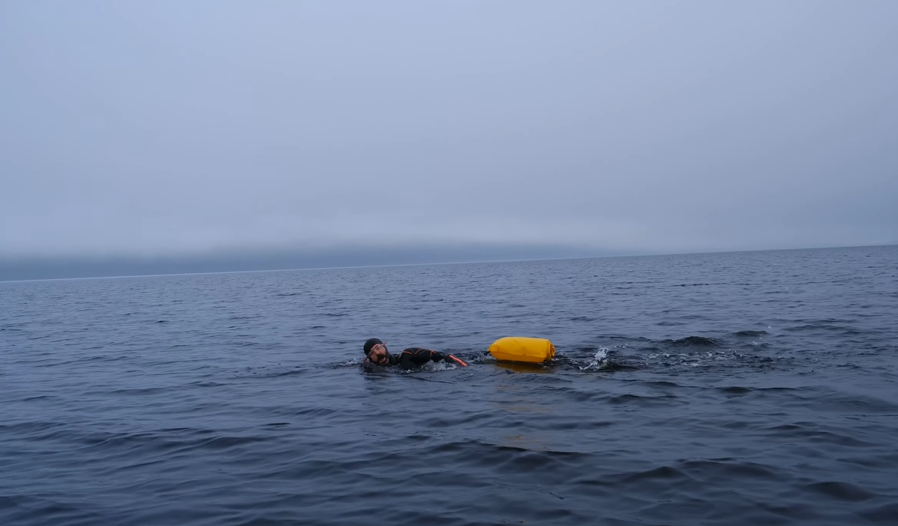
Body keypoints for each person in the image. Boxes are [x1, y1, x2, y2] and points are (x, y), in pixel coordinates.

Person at [363, 338, 467, 368]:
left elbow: (443, 355)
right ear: (370, 359)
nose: (377, 353)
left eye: (378, 348)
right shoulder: (373, 370)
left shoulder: (408, 354)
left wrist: (466, 367)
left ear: (384, 346)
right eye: (371, 353)